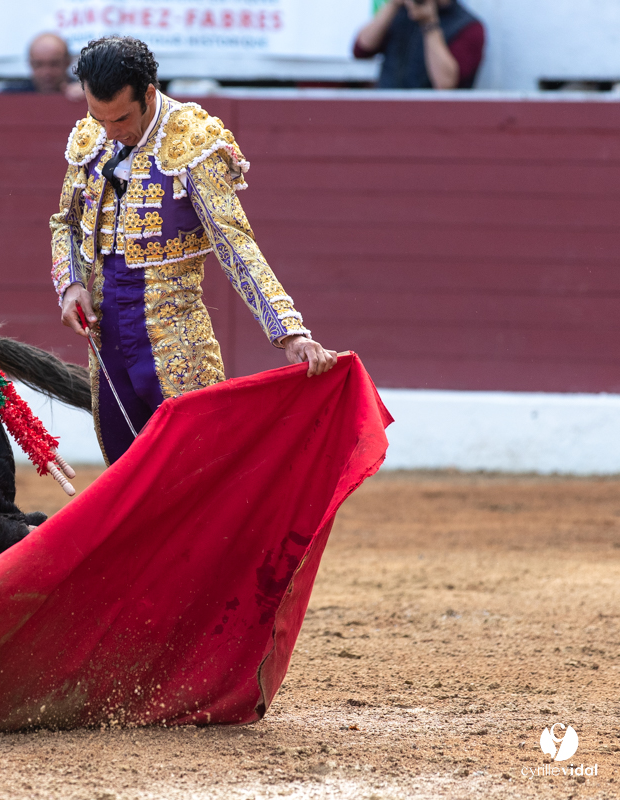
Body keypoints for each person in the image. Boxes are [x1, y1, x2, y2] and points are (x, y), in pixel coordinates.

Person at [50, 36, 336, 463]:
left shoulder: (192, 142)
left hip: (175, 339)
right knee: (123, 471)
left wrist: (289, 330)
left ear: (149, 93)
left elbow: (234, 242)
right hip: (105, 336)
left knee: (198, 468)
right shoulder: (93, 139)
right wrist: (71, 284)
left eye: (121, 118)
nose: (110, 133)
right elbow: (66, 224)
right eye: (98, 117)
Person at [353, 0, 485, 90]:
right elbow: (362, 49)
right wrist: (392, 5)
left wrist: (429, 24)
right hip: (387, 112)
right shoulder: (401, 11)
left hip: (432, 121)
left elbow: (445, 84)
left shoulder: (469, 27)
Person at [2, 32, 84, 100]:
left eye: (54, 64)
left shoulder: (84, 91)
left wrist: (88, 97)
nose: (46, 72)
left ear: (67, 62)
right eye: (39, 65)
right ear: (30, 63)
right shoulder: (12, 94)